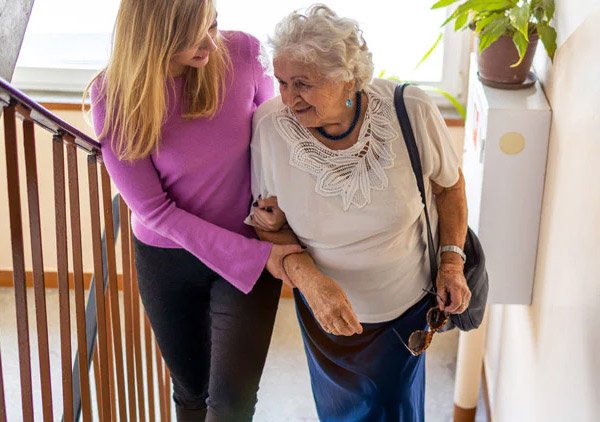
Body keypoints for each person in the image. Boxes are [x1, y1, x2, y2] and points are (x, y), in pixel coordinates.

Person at [248, 4, 471, 421]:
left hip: (406, 309)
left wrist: (452, 263)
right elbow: (270, 225)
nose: (289, 97)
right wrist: (311, 282)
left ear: (348, 76)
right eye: (281, 82)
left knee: (394, 407)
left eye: (303, 84)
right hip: (326, 317)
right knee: (342, 412)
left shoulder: (411, 109)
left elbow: (449, 186)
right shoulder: (269, 127)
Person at [87, 0, 302, 420]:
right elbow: (155, 211)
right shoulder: (112, 95)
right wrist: (257, 256)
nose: (209, 43)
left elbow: (274, 143)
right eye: (191, 36)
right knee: (189, 392)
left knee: (232, 404)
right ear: (153, 35)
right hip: (168, 257)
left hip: (251, 246)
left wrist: (276, 217)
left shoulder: (243, 53)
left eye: (213, 25)